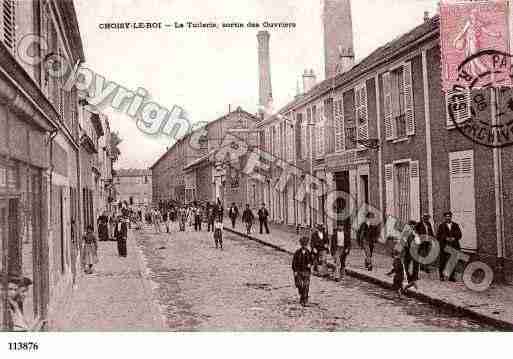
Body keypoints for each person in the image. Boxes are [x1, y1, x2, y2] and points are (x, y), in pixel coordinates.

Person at [436, 211, 462, 281]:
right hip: (444, 246)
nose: (448, 218)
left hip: (453, 246)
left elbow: (459, 235)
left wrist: (454, 238)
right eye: (446, 216)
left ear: (451, 217)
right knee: (442, 261)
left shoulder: (456, 225)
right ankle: (441, 276)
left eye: (449, 216)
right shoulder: (441, 226)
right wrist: (445, 238)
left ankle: (451, 276)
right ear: (444, 217)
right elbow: (438, 236)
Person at [292, 236, 313, 306]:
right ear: (301, 244)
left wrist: (310, 264)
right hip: (299, 271)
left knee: (306, 286)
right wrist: (295, 271)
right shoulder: (297, 253)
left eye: (305, 244)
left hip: (306, 271)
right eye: (303, 244)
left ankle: (305, 299)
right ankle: (302, 295)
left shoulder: (308, 252)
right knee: (299, 285)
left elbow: (311, 260)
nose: (304, 246)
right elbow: (294, 263)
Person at [403, 220, 420, 290]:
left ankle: (414, 279)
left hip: (415, 251)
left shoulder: (416, 233)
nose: (412, 226)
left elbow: (418, 241)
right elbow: (403, 241)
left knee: (416, 265)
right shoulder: (405, 232)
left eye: (413, 225)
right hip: (407, 251)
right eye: (411, 225)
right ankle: (410, 279)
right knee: (406, 265)